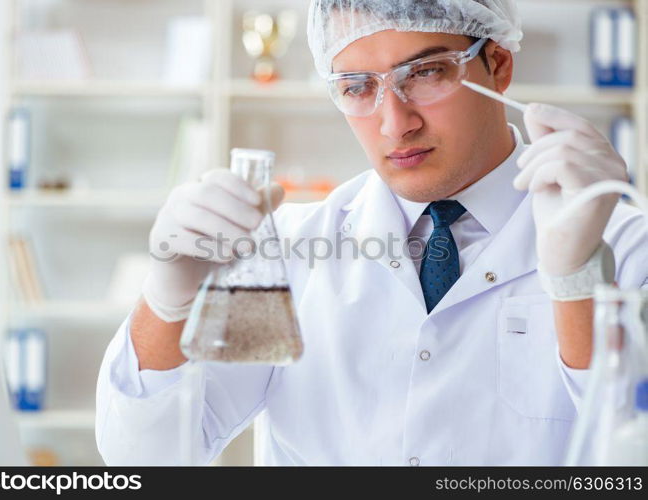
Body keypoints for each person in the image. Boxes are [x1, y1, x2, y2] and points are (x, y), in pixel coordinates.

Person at [95, 0, 648, 465]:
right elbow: (148, 458)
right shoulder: (289, 251)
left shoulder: (626, 245)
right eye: (357, 86)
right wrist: (167, 302)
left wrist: (578, 284)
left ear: (498, 65)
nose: (395, 123)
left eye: (426, 73)